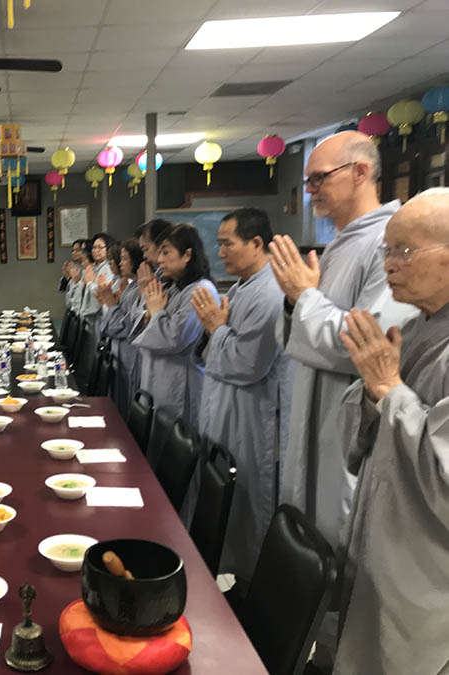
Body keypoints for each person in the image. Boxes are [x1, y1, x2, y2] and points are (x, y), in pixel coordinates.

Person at [270, 131, 418, 553]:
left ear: (360, 172)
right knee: (307, 537)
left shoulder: (387, 242)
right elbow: (303, 329)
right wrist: (294, 302)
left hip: (350, 422)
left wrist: (304, 297)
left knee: (339, 543)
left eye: (319, 178)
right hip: (316, 412)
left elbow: (370, 342)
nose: (310, 190)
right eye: (308, 180)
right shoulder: (341, 242)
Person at [333, 188, 449, 674]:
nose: (389, 265)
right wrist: (372, 392)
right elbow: (365, 435)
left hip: (426, 568)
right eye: (387, 250)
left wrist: (388, 389)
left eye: (404, 250)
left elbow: (444, 480)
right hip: (385, 542)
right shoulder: (417, 327)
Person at [191, 208, 287, 585]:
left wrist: (216, 329)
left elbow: (248, 363)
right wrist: (216, 330)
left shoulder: (271, 292)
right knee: (230, 508)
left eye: (227, 244)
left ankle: (251, 589)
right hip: (227, 407)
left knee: (250, 511)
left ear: (256, 243)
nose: (221, 253)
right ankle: (232, 576)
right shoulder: (244, 286)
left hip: (252, 414)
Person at [131, 223, 217, 429]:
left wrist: (155, 313)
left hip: (180, 382)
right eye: (159, 252)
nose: (159, 260)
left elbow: (174, 338)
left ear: (187, 255)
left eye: (166, 252)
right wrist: (152, 314)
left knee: (176, 437)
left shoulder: (200, 290)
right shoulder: (173, 286)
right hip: (158, 377)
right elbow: (142, 318)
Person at [96, 238, 144, 414]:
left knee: (126, 405)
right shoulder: (130, 287)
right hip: (119, 352)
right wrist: (110, 303)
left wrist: (109, 303)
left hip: (129, 353)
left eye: (124, 258)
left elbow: (125, 326)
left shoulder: (139, 289)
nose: (120, 263)